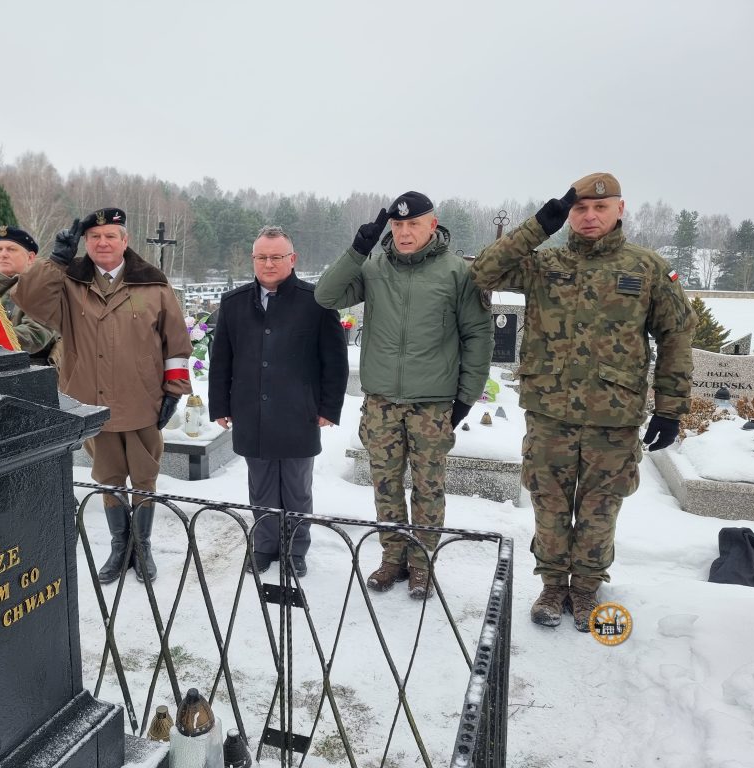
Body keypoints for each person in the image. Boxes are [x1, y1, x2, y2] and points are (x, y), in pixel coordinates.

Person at [470, 173, 696, 631]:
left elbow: (676, 335)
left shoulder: (647, 268)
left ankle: (587, 587)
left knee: (600, 507)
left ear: (620, 209)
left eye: (600, 208)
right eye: (579, 210)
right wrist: (538, 226)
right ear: (568, 215)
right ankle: (553, 586)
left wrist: (671, 408)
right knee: (549, 503)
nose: (589, 217)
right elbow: (483, 271)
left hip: (613, 417)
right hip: (549, 411)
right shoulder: (544, 263)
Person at [315, 192, 494, 599]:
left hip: (431, 404)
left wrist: (465, 397)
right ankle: (391, 559)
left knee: (429, 488)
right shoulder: (374, 266)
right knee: (385, 486)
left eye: (413, 224)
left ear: (433, 225)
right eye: (397, 226)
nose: (404, 232)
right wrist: (357, 249)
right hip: (381, 403)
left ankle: (422, 565)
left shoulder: (456, 272)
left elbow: (478, 335)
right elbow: (325, 296)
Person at [13, 207, 193, 584]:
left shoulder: (153, 284)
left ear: (125, 241)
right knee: (108, 477)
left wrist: (174, 390)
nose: (102, 242)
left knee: (145, 478)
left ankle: (141, 547)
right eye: (94, 237)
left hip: (143, 402)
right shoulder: (68, 282)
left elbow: (176, 343)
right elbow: (29, 301)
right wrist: (56, 260)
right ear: (86, 243)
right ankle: (118, 545)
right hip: (91, 403)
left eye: (110, 236)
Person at [208, 225, 348, 578]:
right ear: (253, 259)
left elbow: (334, 359)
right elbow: (221, 359)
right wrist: (220, 406)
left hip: (299, 411)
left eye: (276, 257)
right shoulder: (235, 303)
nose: (268, 264)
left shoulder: (316, 301)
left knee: (297, 489)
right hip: (252, 412)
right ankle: (266, 545)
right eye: (262, 257)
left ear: (292, 259)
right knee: (262, 486)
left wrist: (329, 408)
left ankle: (296, 548)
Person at [0, 226, 60, 367]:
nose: (3, 254)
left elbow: (35, 335)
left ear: (30, 258)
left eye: (11, 249)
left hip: (29, 372)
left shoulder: (44, 288)